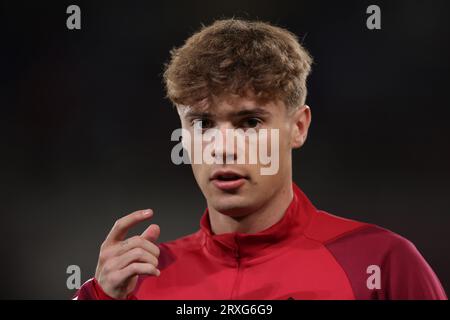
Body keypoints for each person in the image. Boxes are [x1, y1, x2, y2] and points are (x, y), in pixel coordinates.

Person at [74, 19, 447, 300]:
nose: (223, 147)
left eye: (249, 122)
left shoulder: (380, 264)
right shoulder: (139, 283)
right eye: (203, 123)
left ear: (298, 127)